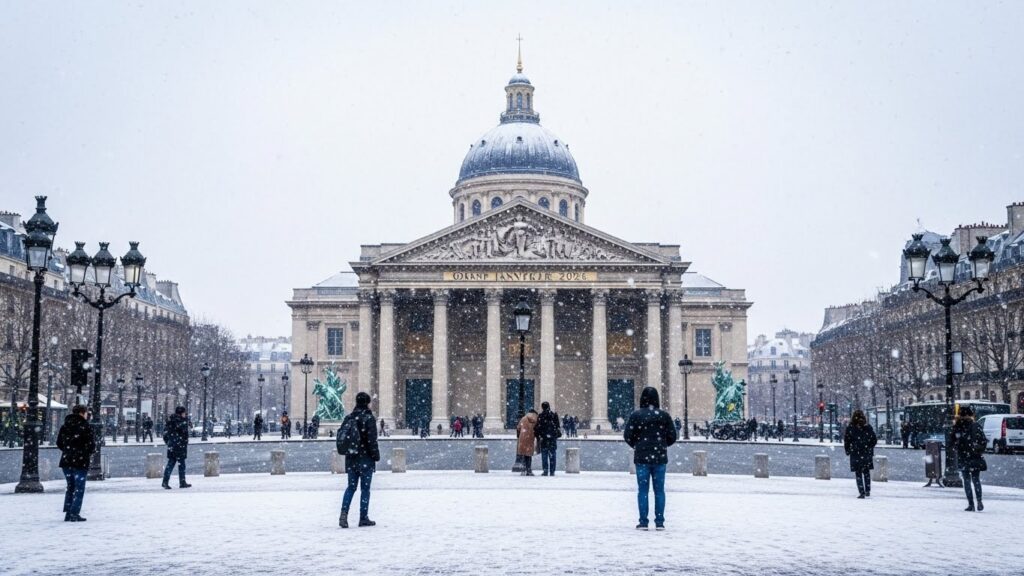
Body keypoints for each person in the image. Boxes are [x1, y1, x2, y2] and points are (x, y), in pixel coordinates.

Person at [624, 387, 677, 531]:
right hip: (659, 457)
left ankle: (643, 522)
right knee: (659, 491)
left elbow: (627, 435)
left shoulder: (636, 415)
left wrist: (638, 444)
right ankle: (659, 522)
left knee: (643, 491)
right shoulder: (664, 415)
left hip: (642, 458)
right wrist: (662, 445)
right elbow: (673, 436)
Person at [339, 392, 381, 528]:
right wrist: (376, 455)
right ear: (367, 403)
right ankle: (363, 517)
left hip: (351, 458)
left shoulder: (349, 418)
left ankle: (343, 514)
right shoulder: (369, 418)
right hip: (366, 459)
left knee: (351, 487)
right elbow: (372, 441)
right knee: (365, 489)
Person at [56, 405, 95, 522]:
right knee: (79, 488)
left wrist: (68, 451)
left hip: (66, 461)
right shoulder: (85, 426)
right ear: (82, 413)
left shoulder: (65, 425)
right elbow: (91, 445)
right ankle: (74, 512)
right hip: (80, 461)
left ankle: (68, 512)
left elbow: (59, 442)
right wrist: (84, 452)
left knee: (70, 487)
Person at [951, 406, 987, 512]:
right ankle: (979, 500)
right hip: (975, 456)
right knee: (976, 479)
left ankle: (971, 504)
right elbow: (983, 440)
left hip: (964, 456)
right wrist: (978, 449)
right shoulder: (976, 425)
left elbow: (952, 441)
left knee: (966, 480)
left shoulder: (958, 426)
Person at [843, 409, 877, 498]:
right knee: (866, 472)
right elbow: (874, 439)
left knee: (858, 473)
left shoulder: (850, 428)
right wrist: (869, 447)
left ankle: (861, 492)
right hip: (866, 453)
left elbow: (847, 441)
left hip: (855, 452)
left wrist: (848, 450)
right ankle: (867, 490)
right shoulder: (868, 427)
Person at [162, 406, 192, 489]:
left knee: (170, 464)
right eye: (184, 413)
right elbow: (184, 432)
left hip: (173, 446)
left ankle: (165, 481)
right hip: (180, 446)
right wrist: (186, 422)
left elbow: (165, 434)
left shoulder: (171, 420)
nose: (185, 414)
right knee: (181, 465)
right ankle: (182, 482)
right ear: (181, 413)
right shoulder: (181, 422)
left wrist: (169, 442)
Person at [536, 401, 561, 476]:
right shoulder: (554, 415)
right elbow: (557, 426)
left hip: (544, 439)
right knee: (552, 455)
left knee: (544, 456)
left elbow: (538, 428)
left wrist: (539, 435)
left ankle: (545, 470)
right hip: (552, 439)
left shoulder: (540, 416)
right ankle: (552, 471)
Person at [516, 409, 539, 476]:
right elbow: (537, 429)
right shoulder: (536, 419)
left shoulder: (523, 418)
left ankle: (523, 470)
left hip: (523, 437)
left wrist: (519, 434)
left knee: (523, 454)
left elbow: (518, 427)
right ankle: (529, 470)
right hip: (530, 437)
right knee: (529, 455)